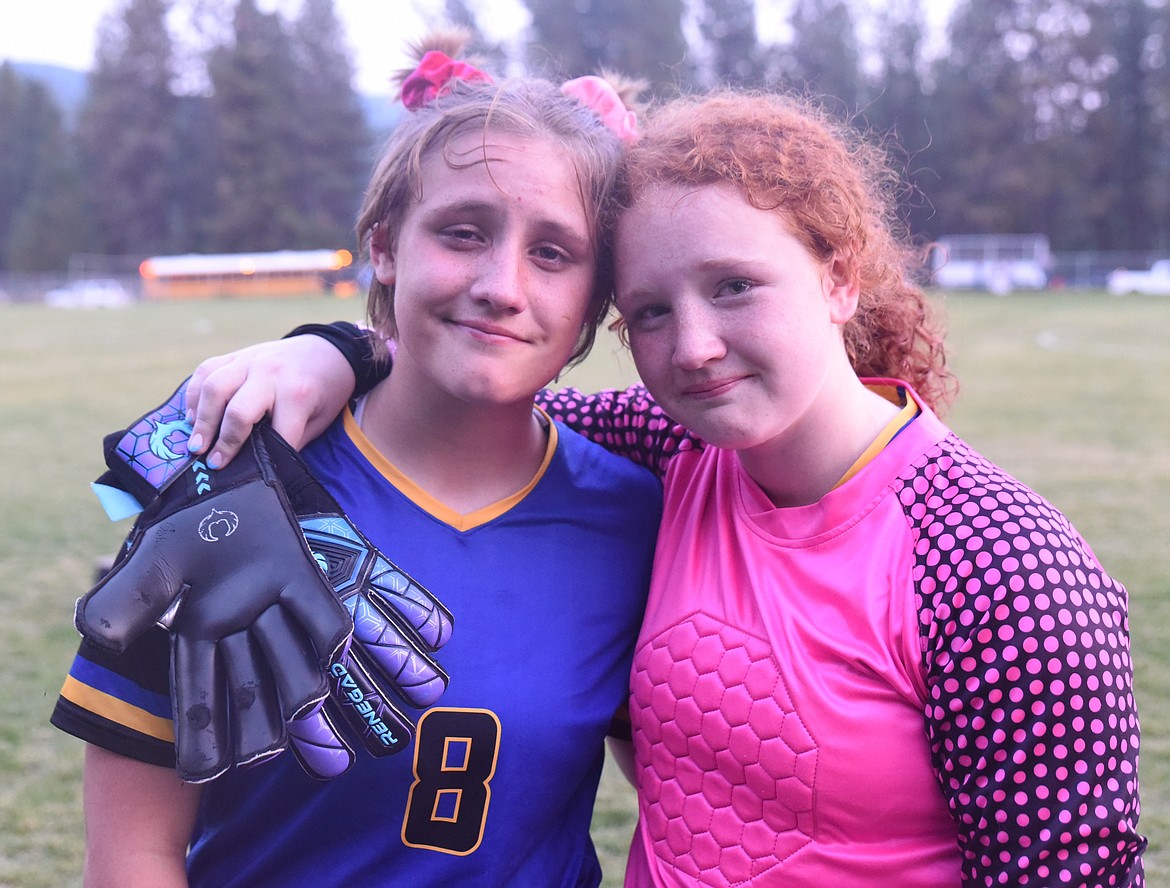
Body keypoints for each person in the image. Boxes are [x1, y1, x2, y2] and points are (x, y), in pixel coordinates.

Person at [172, 88, 1146, 886]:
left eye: (734, 287)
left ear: (839, 277)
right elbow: (474, 405)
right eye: (648, 310)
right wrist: (335, 354)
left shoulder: (1001, 568)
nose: (694, 349)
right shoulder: (669, 454)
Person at [51, 35, 664, 887]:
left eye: (553, 253)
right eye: (462, 231)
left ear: (596, 302)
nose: (503, 284)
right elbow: (132, 858)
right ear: (384, 247)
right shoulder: (223, 489)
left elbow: (697, 804)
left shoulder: (640, 519)